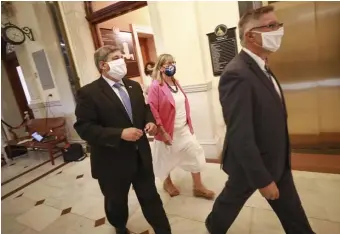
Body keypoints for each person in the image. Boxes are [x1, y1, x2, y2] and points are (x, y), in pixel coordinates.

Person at [206, 6, 315, 234]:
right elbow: (240, 133)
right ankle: (213, 226)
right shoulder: (236, 74)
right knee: (230, 202)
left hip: (277, 159)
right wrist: (263, 180)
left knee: (294, 215)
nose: (279, 30)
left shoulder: (262, 65)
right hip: (252, 163)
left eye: (278, 24)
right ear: (251, 35)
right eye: (271, 26)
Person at [74, 45, 171, 234]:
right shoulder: (89, 93)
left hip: (140, 156)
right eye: (117, 58)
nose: (122, 61)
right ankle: (119, 227)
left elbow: (145, 110)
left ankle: (164, 230)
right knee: (116, 202)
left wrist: (150, 122)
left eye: (122, 57)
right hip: (112, 162)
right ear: (103, 65)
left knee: (151, 197)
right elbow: (85, 128)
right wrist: (119, 134)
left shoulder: (133, 86)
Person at [148, 54, 215, 200]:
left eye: (173, 62)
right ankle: (167, 183)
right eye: (167, 63)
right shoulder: (155, 87)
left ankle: (198, 187)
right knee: (165, 159)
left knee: (195, 153)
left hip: (183, 129)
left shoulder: (175, 83)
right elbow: (153, 110)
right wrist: (162, 131)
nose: (171, 65)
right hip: (167, 131)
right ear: (160, 67)